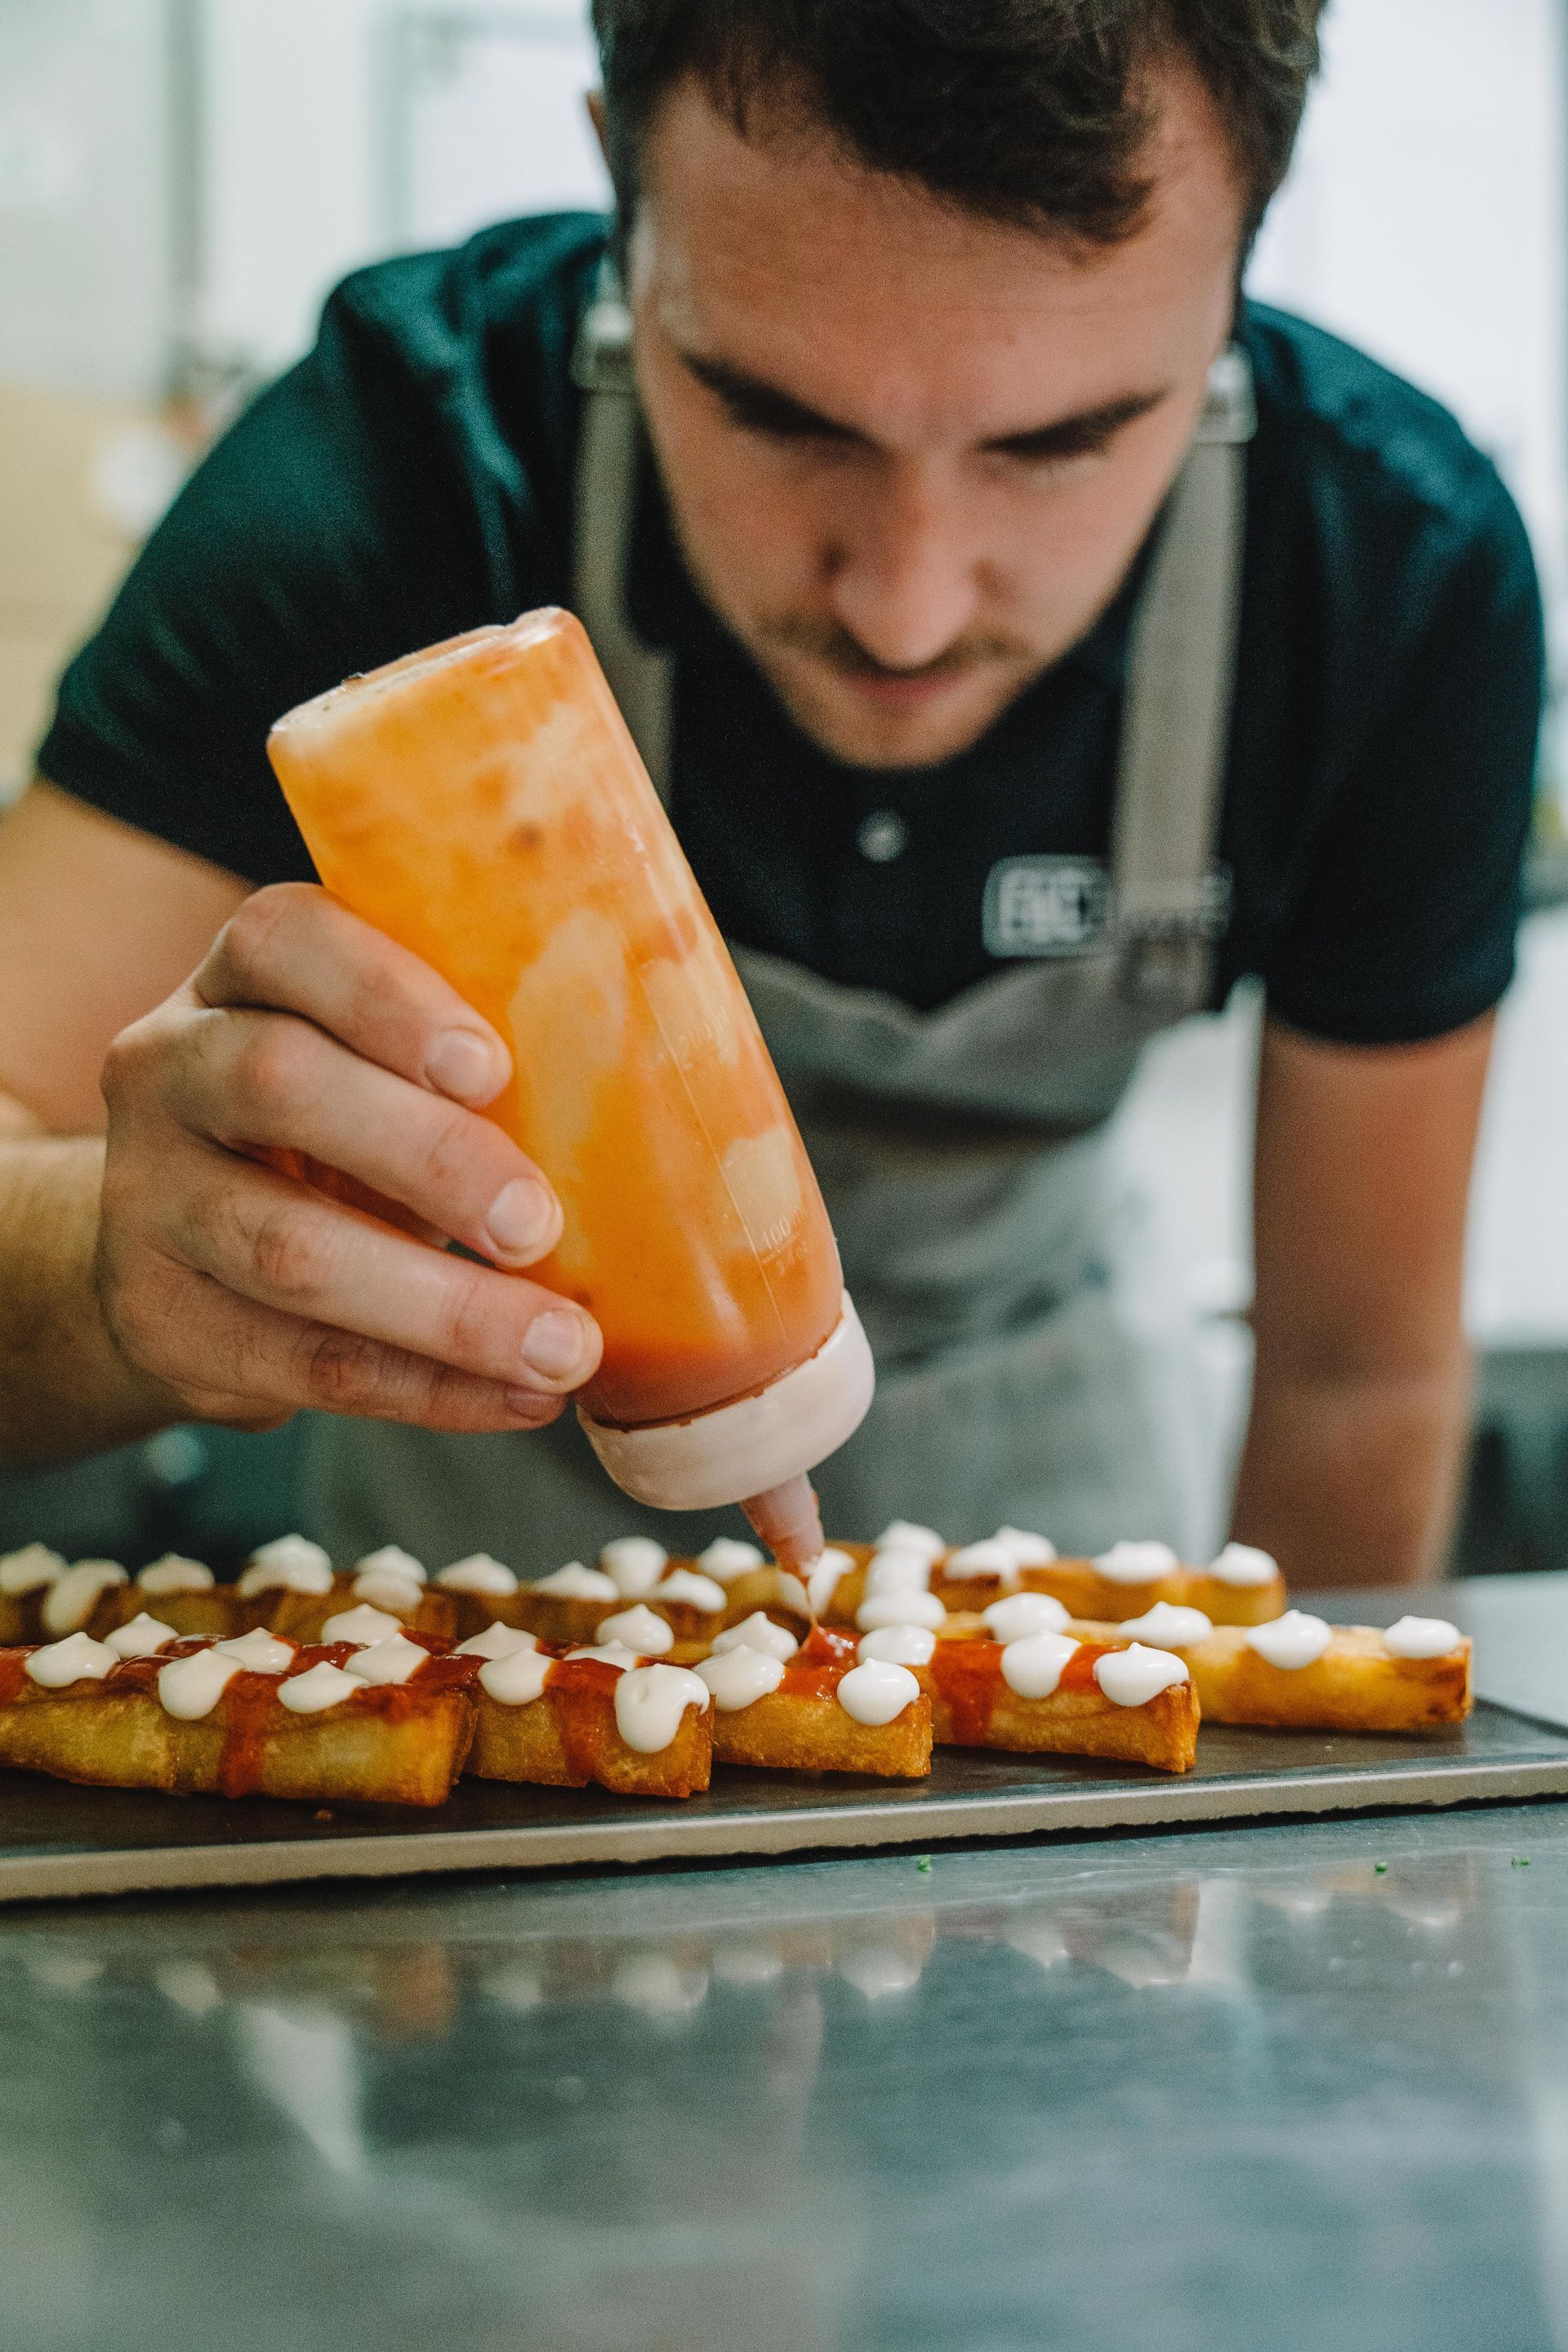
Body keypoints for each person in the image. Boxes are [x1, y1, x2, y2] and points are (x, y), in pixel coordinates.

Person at [0, 0, 1543, 1584]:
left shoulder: (1393, 570)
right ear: (619, 182)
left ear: (1244, 265)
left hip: (1067, 1556)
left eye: (1065, 440)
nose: (907, 609)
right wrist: (113, 1267)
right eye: (774, 411)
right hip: (469, 1615)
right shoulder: (398, 467)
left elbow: (1358, 1372)